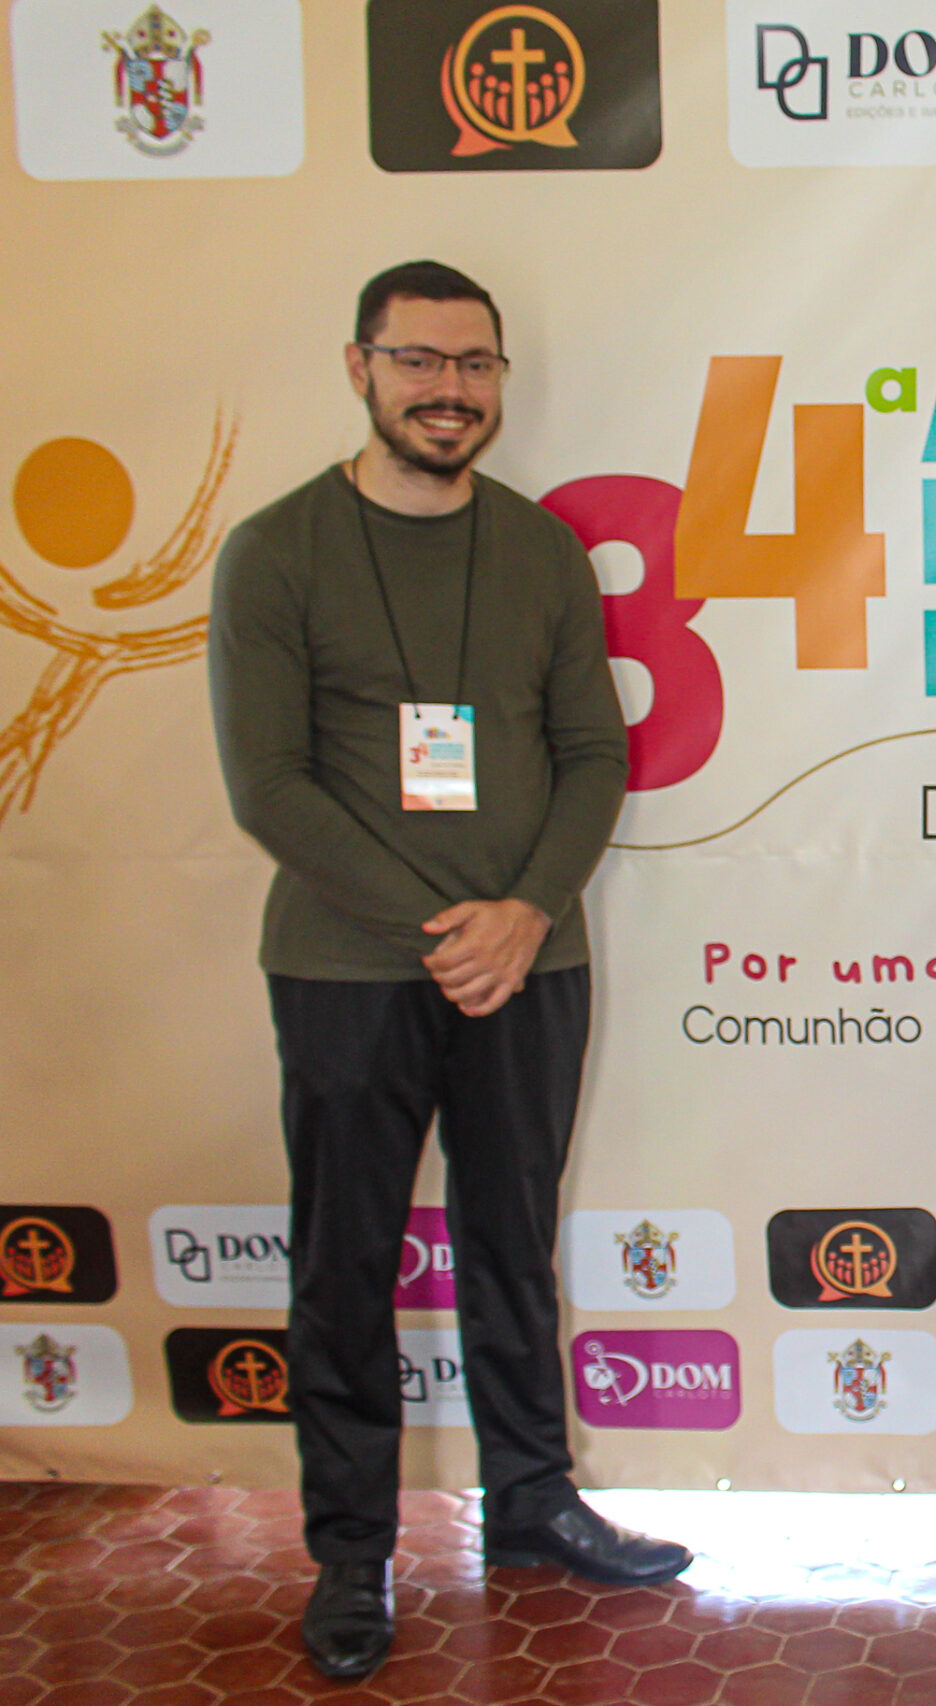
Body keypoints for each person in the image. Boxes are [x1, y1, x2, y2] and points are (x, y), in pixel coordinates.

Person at [208, 260, 691, 1682]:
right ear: (359, 366)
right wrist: (449, 928)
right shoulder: (276, 550)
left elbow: (594, 751)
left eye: (475, 364)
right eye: (418, 359)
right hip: (348, 970)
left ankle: (532, 1500)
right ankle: (352, 1551)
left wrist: (526, 912)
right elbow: (270, 787)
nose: (449, 389)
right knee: (345, 1262)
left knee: (510, 1242)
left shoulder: (539, 548)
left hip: (533, 962)